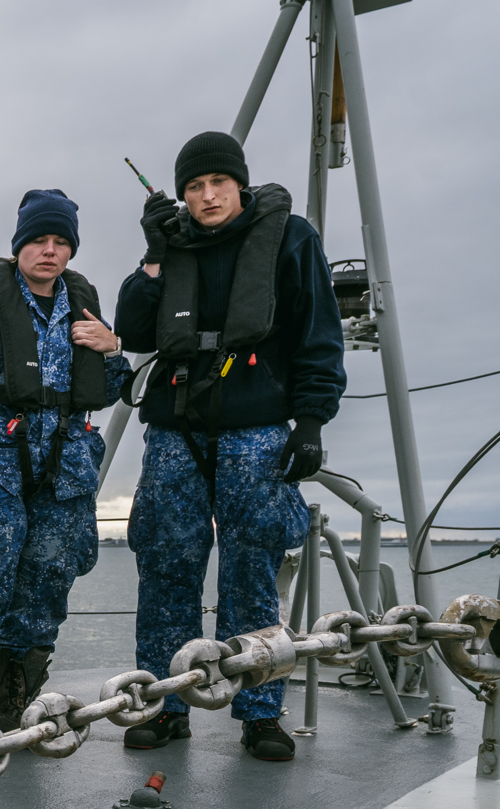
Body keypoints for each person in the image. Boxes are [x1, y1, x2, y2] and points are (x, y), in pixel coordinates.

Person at [114, 132, 346, 761]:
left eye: (218, 182)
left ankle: (260, 713)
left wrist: (311, 423)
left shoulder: (290, 238)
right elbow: (133, 328)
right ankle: (162, 706)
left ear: (240, 184)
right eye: (194, 187)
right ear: (182, 195)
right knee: (165, 566)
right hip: (175, 431)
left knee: (252, 570)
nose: (207, 196)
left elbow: (319, 336)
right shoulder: (170, 245)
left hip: (257, 430)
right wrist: (153, 255)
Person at [0, 189, 131, 758]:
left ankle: (15, 719)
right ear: (19, 247)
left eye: (60, 242)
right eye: (39, 240)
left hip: (64, 466)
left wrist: (113, 350)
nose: (49, 251)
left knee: (45, 590)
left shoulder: (83, 306)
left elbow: (110, 390)